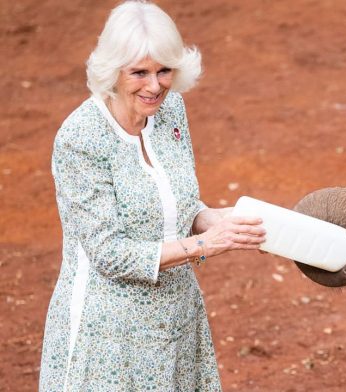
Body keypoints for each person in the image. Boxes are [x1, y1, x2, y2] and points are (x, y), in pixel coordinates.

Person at [39, 1, 266, 390]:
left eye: (164, 70)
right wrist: (203, 244)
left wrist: (221, 220)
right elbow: (110, 253)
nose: (155, 85)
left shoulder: (170, 110)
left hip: (174, 317)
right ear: (113, 71)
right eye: (139, 72)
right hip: (109, 334)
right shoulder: (81, 139)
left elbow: (176, 201)